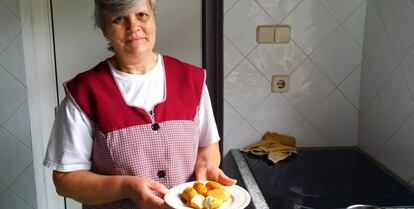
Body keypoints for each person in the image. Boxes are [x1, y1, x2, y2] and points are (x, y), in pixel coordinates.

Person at [42, 0, 236, 208]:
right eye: (119, 18)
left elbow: (207, 145)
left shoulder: (191, 80)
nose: (133, 27)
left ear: (154, 19)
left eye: (142, 15)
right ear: (105, 29)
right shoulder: (84, 92)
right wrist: (126, 187)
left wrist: (205, 165)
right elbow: (65, 181)